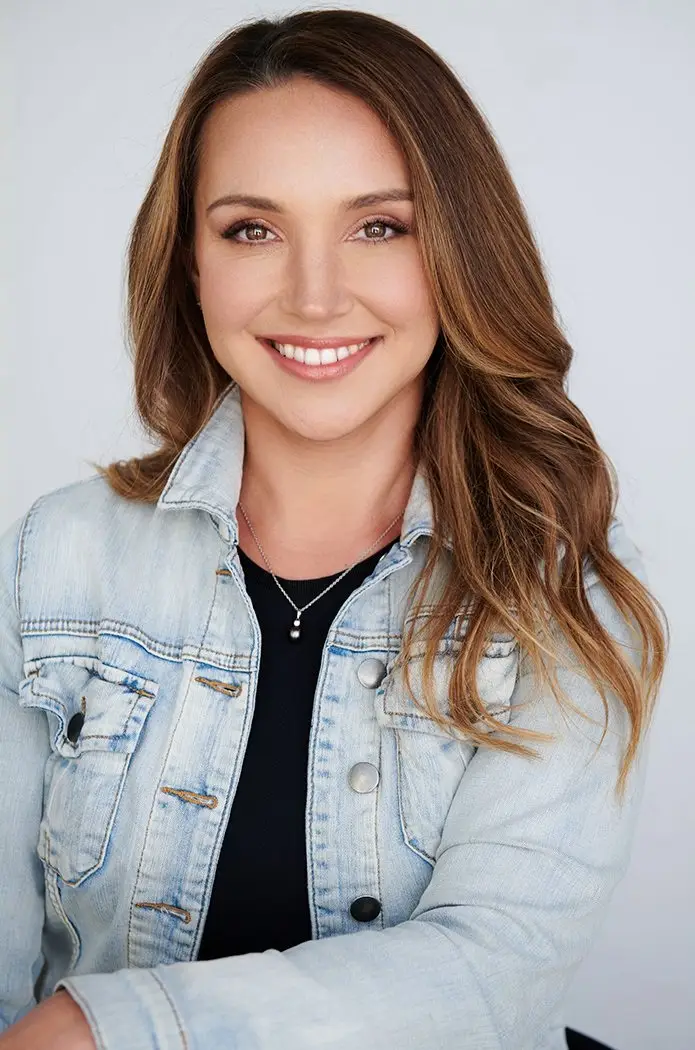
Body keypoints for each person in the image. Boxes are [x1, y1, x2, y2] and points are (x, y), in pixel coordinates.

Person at [0, 8, 669, 1050]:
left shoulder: (560, 587)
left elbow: (493, 975)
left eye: (378, 227)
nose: (314, 297)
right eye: (251, 230)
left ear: (455, 251)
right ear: (191, 264)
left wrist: (104, 1032)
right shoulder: (57, 559)